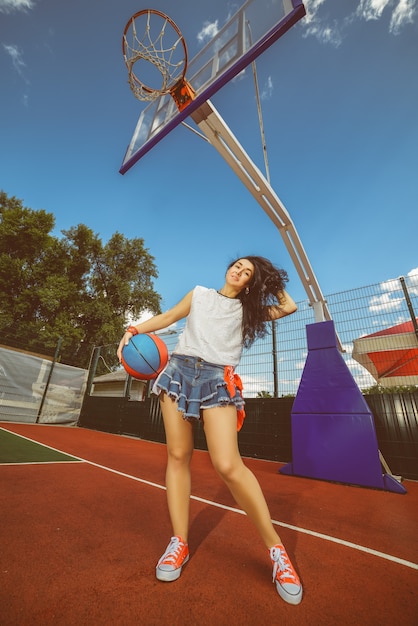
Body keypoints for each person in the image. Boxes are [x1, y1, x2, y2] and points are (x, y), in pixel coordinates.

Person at [117, 256, 302, 605]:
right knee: (177, 455)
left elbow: (288, 305)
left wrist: (269, 280)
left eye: (248, 273)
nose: (240, 272)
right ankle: (179, 543)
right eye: (239, 266)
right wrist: (133, 330)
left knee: (228, 465)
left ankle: (277, 552)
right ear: (228, 268)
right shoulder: (199, 294)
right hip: (179, 369)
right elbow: (170, 317)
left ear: (250, 283)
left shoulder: (249, 312)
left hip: (218, 378)